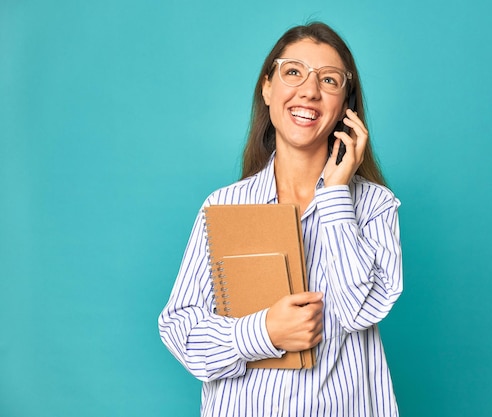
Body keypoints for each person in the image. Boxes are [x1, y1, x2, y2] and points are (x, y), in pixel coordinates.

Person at [159, 22, 403, 417]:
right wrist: (264, 332)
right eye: (293, 72)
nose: (309, 90)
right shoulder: (224, 207)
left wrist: (336, 195)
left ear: (346, 106)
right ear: (267, 87)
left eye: (329, 80)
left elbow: (360, 311)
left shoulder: (375, 206)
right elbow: (182, 333)